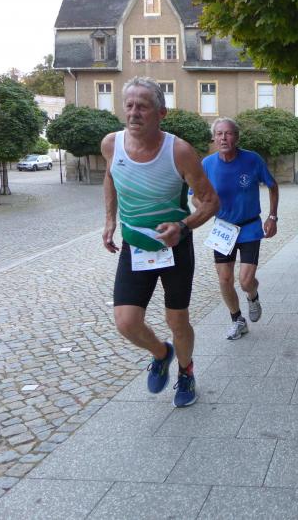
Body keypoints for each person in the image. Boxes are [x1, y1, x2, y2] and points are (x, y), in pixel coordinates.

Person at [102, 76, 219, 408]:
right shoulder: (111, 144)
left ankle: (186, 371)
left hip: (174, 247)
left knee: (177, 320)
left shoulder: (179, 151)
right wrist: (110, 219)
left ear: (161, 113)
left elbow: (211, 202)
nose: (134, 112)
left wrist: (182, 226)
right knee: (126, 322)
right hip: (135, 244)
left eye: (143, 106)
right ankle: (161, 352)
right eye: (129, 105)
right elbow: (110, 176)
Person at [202, 117, 279, 340]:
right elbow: (196, 195)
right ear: (214, 138)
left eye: (228, 133)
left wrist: (272, 216)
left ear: (236, 137)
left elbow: (273, 186)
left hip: (249, 227)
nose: (224, 138)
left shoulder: (252, 159)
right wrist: (205, 207)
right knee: (225, 280)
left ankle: (252, 296)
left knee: (245, 281)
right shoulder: (207, 164)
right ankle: (237, 320)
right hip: (223, 230)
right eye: (219, 134)